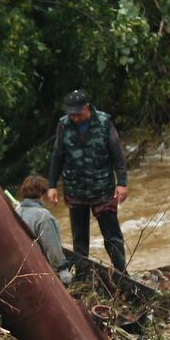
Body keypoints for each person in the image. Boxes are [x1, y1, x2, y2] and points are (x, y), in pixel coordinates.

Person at [45, 89, 129, 274]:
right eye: (71, 114)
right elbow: (57, 156)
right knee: (80, 239)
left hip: (103, 190)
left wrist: (121, 183)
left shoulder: (104, 122)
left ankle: (122, 273)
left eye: (77, 113)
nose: (74, 117)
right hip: (76, 192)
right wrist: (52, 185)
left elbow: (117, 154)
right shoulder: (63, 125)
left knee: (112, 236)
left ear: (87, 107)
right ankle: (82, 275)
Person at [16, 175, 72, 285]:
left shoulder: (16, 211)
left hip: (22, 268)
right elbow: (53, 250)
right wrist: (63, 272)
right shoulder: (44, 216)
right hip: (41, 270)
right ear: (42, 193)